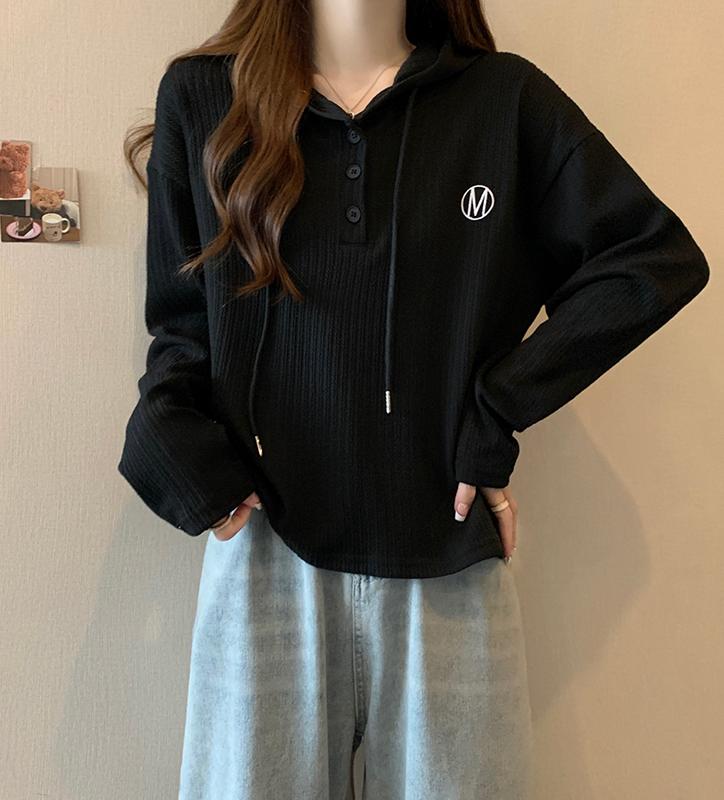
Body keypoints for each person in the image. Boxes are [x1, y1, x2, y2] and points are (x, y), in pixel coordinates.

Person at [118, 1, 710, 797]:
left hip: (448, 552)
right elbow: (181, 332)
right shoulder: (204, 100)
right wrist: (180, 461)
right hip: (264, 551)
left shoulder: (503, 102)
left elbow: (653, 259)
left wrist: (497, 411)